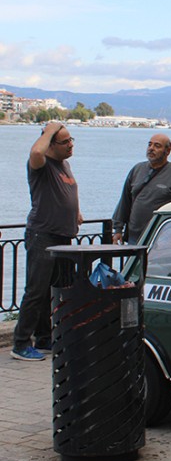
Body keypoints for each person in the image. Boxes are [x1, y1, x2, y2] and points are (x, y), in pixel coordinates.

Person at [11, 122, 82, 361]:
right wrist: (50, 129)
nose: (71, 145)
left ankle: (43, 338)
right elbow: (36, 152)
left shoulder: (65, 165)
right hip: (43, 234)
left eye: (72, 140)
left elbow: (71, 190)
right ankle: (20, 343)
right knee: (35, 290)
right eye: (65, 142)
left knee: (51, 291)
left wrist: (76, 213)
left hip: (63, 235)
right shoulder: (40, 165)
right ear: (51, 143)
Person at [112, 134, 171, 245]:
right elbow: (125, 201)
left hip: (162, 239)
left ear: (167, 151)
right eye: (150, 144)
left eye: (157, 146)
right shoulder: (137, 170)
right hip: (135, 238)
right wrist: (118, 229)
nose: (151, 148)